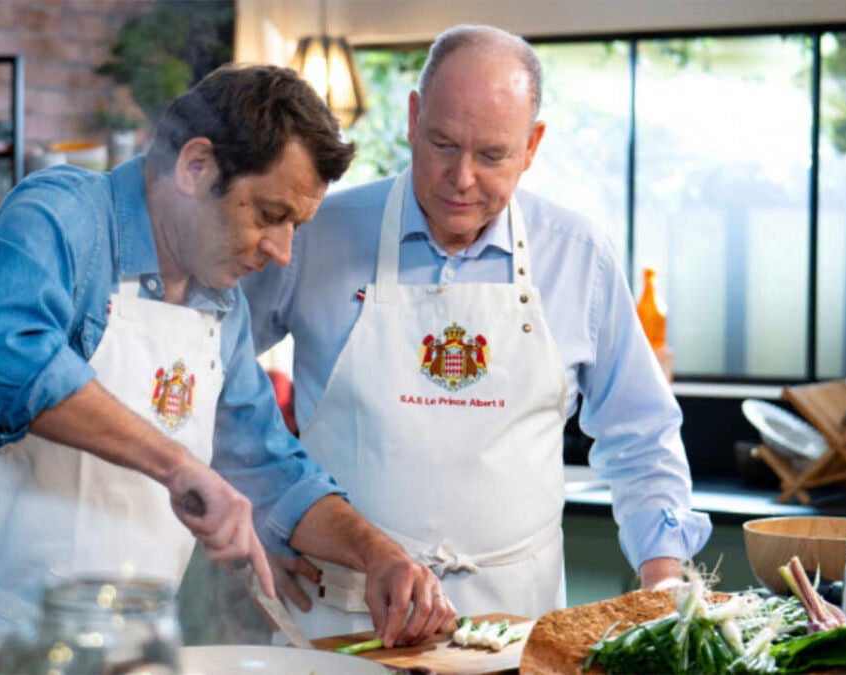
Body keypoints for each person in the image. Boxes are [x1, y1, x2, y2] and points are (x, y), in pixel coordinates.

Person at [0, 64, 455, 657]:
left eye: (295, 226)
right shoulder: (62, 214)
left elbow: (273, 470)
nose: (281, 251)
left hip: (133, 651)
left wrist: (380, 555)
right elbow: (6, 354)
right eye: (269, 215)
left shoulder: (221, 307)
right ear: (196, 166)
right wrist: (180, 467)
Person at [241, 25, 712, 638]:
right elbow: (211, 371)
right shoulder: (315, 233)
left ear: (531, 146)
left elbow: (641, 434)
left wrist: (664, 576)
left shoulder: (578, 255)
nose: (461, 178)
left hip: (517, 623)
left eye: (491, 156)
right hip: (341, 619)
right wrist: (258, 511)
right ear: (413, 118)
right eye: (443, 144)